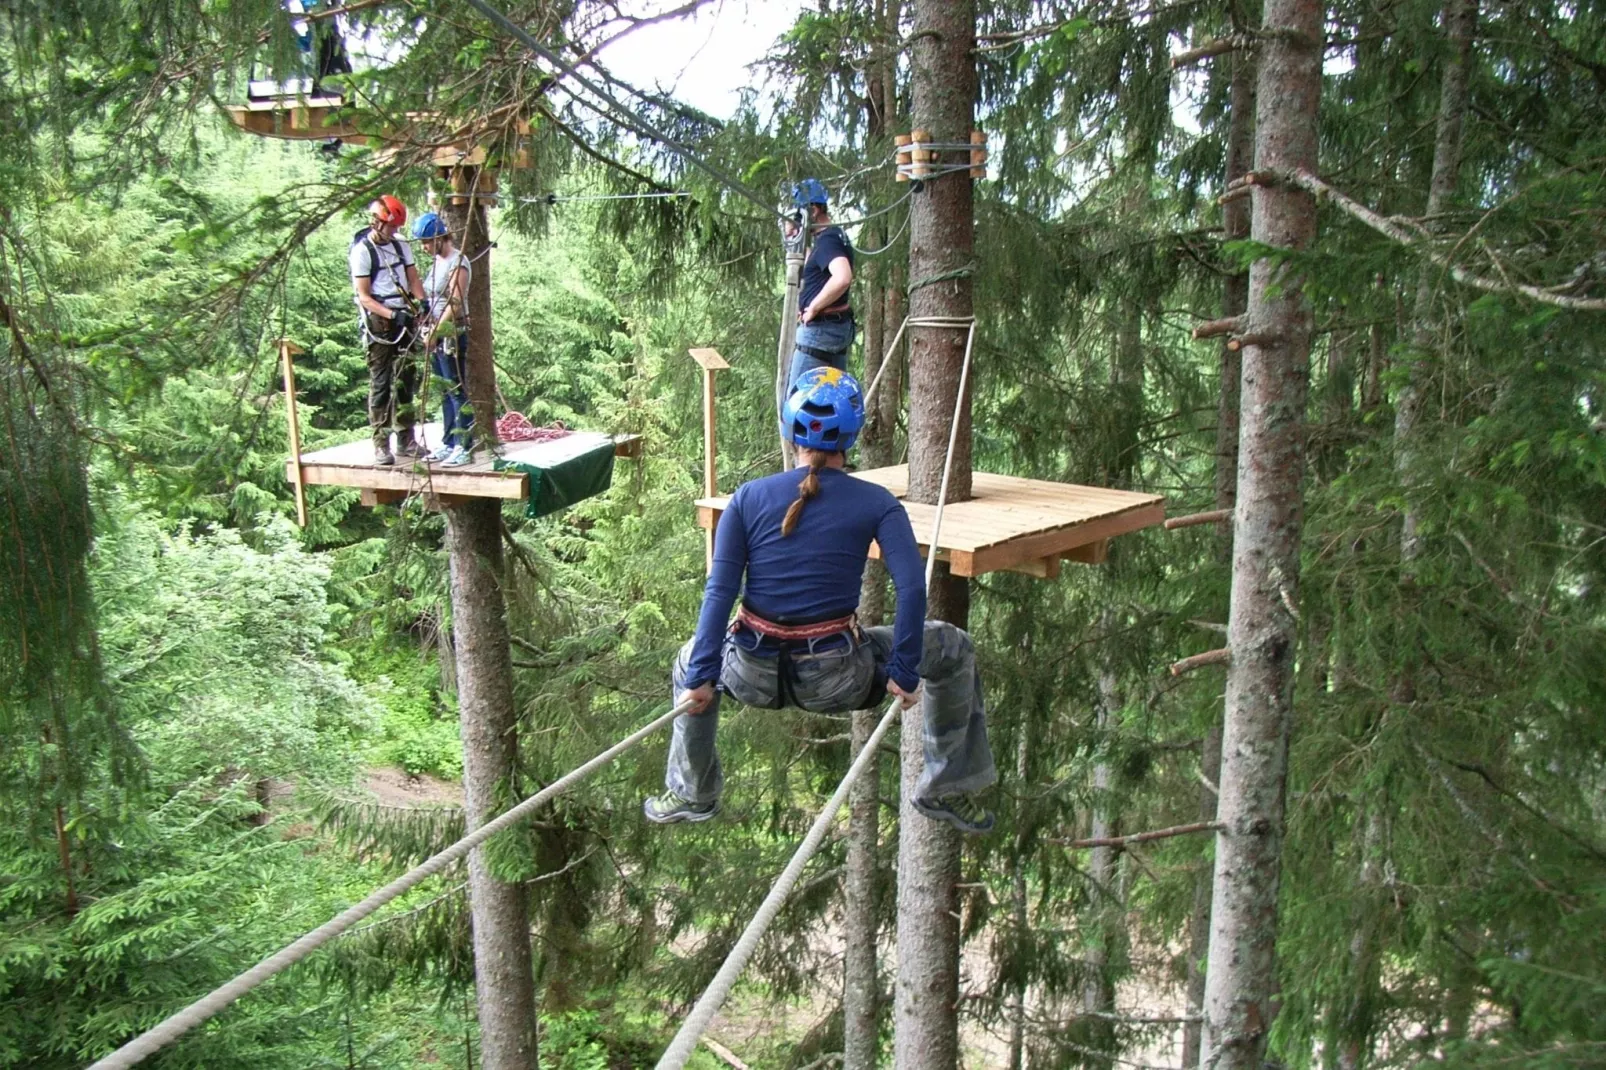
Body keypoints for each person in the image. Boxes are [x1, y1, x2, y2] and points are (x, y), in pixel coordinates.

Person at [644, 368, 997, 834]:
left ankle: (693, 792)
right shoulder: (876, 503)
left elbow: (720, 592)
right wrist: (905, 672)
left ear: (791, 431)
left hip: (749, 671)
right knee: (952, 646)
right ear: (851, 435)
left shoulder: (748, 498)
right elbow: (911, 589)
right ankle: (946, 787)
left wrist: (701, 679)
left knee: (690, 659)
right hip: (836, 676)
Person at [350, 195, 426, 466]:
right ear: (377, 223)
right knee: (381, 384)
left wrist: (422, 302)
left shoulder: (400, 245)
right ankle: (381, 443)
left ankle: (406, 438)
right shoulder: (363, 252)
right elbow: (364, 296)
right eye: (391, 227)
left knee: (406, 379)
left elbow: (412, 277)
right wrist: (393, 315)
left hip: (404, 315)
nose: (394, 232)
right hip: (380, 322)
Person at [413, 211, 474, 467]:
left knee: (456, 388)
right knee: (444, 388)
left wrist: (438, 330)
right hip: (436, 333)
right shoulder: (438, 261)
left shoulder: (457, 262)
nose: (425, 248)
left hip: (452, 332)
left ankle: (464, 445)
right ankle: (449, 440)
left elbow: (456, 302)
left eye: (427, 242)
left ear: (440, 237)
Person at [787, 178, 857, 391]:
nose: (798, 220)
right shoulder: (832, 237)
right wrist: (793, 238)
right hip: (833, 328)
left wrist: (814, 308)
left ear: (814, 210)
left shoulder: (828, 240)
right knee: (827, 404)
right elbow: (816, 269)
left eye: (799, 214)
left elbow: (842, 277)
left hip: (820, 331)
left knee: (796, 406)